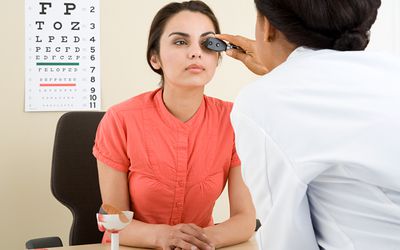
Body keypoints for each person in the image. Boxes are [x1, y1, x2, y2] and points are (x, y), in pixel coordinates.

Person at [217, 0, 400, 249]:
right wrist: (282, 69)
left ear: (267, 26)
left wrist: (280, 78)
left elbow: (285, 242)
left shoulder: (262, 102)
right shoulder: (390, 71)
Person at [92, 1, 256, 250]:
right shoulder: (120, 120)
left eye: (207, 44)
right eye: (181, 42)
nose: (195, 52)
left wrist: (199, 240)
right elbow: (115, 223)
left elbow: (245, 220)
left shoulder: (234, 120)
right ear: (154, 58)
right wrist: (165, 237)